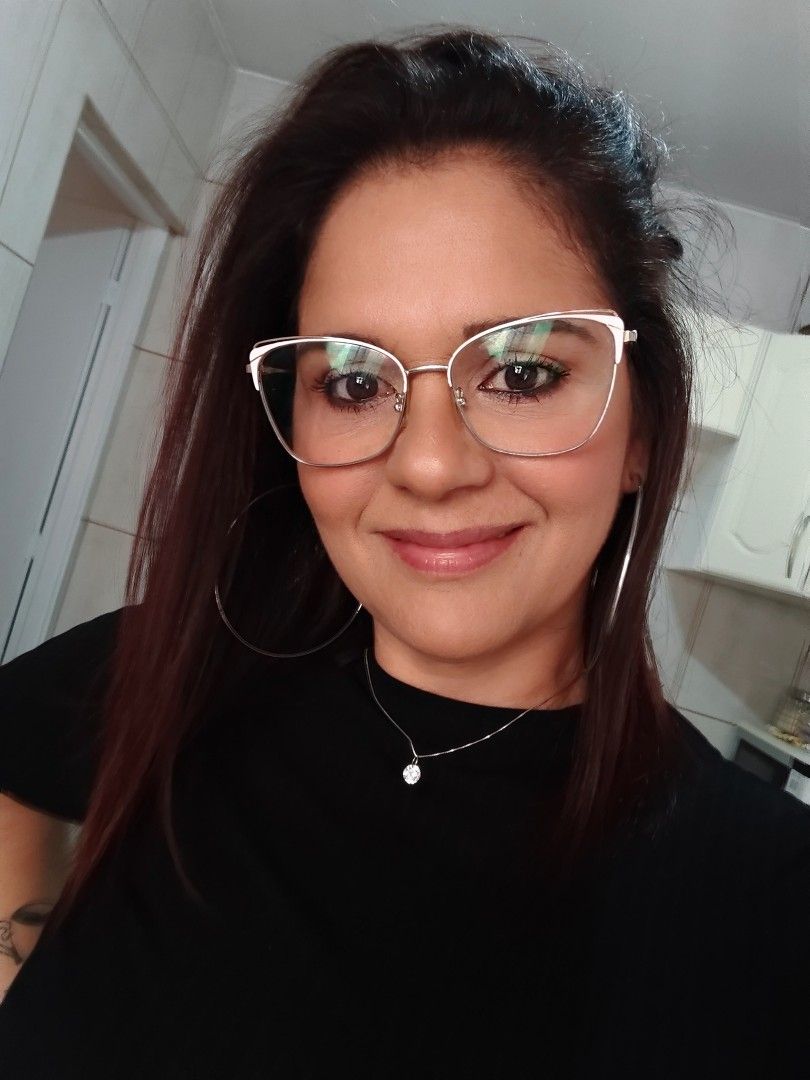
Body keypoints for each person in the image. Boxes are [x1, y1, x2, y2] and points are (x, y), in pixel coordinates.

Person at [0, 26, 807, 1080]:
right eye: (351, 382)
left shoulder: (767, 903)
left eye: (522, 374)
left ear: (644, 429)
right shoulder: (182, 667)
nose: (428, 465)